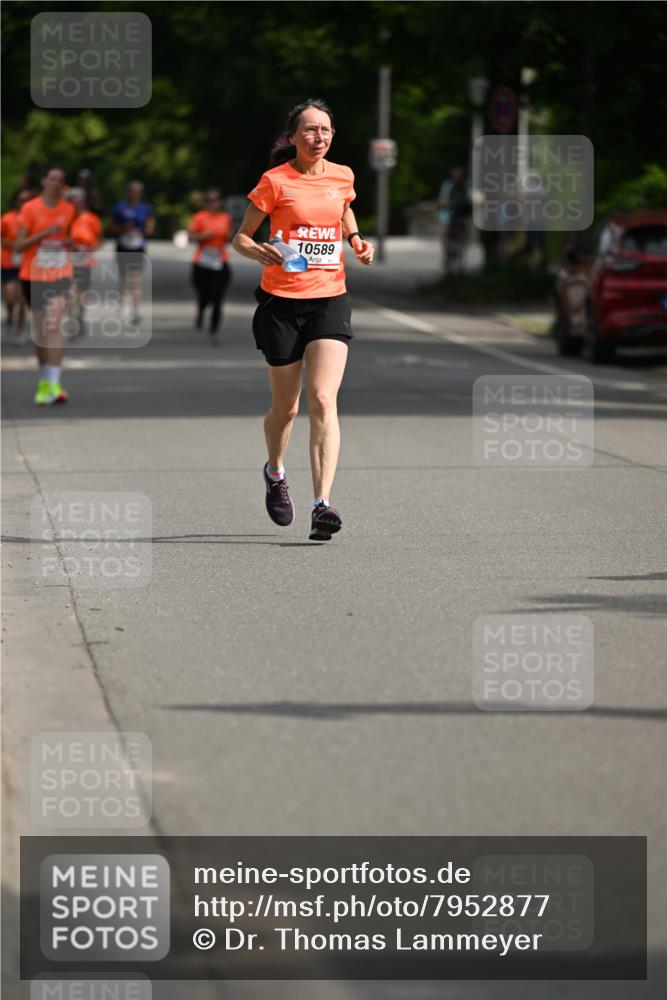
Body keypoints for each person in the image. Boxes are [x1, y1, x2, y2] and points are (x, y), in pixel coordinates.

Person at [232, 98, 374, 541]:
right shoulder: (275, 182)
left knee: (323, 399)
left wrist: (355, 237)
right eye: (310, 130)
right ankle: (275, 470)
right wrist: (260, 251)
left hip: (330, 299)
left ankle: (322, 505)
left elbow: (344, 207)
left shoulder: (343, 175)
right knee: (287, 408)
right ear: (293, 137)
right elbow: (240, 238)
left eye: (326, 130)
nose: (319, 137)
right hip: (281, 303)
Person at [15, 165, 76, 405]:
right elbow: (18, 245)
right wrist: (43, 234)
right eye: (52, 179)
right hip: (33, 274)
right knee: (40, 332)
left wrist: (71, 243)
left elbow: (72, 238)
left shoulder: (69, 210)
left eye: (60, 180)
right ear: (44, 182)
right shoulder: (29, 209)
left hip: (60, 272)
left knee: (54, 325)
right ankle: (43, 381)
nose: (56, 183)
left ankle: (55, 384)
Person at [187, 188, 233, 345]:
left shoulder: (225, 218)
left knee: (218, 298)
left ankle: (215, 330)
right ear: (205, 203)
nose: (213, 203)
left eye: (216, 200)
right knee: (204, 294)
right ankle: (201, 310)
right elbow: (190, 236)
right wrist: (203, 236)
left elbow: (230, 236)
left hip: (220, 261)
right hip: (202, 262)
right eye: (210, 200)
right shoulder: (199, 217)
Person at [110, 180, 154, 326]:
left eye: (136, 191)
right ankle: (121, 306)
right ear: (128, 192)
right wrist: (123, 228)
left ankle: (136, 311)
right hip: (123, 245)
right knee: (123, 278)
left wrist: (140, 229)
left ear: (140, 193)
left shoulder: (145, 208)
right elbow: (112, 227)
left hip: (137, 246)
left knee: (135, 279)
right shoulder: (119, 207)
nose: (133, 193)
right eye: (131, 190)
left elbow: (150, 229)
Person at [64, 188, 104, 339]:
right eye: (71, 200)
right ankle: (71, 319)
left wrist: (90, 249)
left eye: (77, 199)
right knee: (70, 290)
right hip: (68, 259)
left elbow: (100, 239)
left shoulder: (91, 219)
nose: (74, 202)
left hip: (84, 260)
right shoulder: (65, 219)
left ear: (82, 201)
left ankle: (80, 315)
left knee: (82, 291)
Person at [1, 189, 31, 345]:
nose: (23, 202)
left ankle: (19, 331)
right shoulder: (7, 218)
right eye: (21, 199)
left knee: (23, 300)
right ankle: (10, 315)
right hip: (8, 262)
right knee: (10, 296)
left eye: (27, 200)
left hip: (26, 264)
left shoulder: (32, 218)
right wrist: (12, 244)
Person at [437, 166, 471, 275]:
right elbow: (443, 198)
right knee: (445, 231)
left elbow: (469, 199)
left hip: (460, 213)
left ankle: (462, 248)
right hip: (449, 213)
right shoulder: (447, 185)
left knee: (464, 227)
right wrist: (442, 204)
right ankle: (446, 253)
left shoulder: (465, 186)